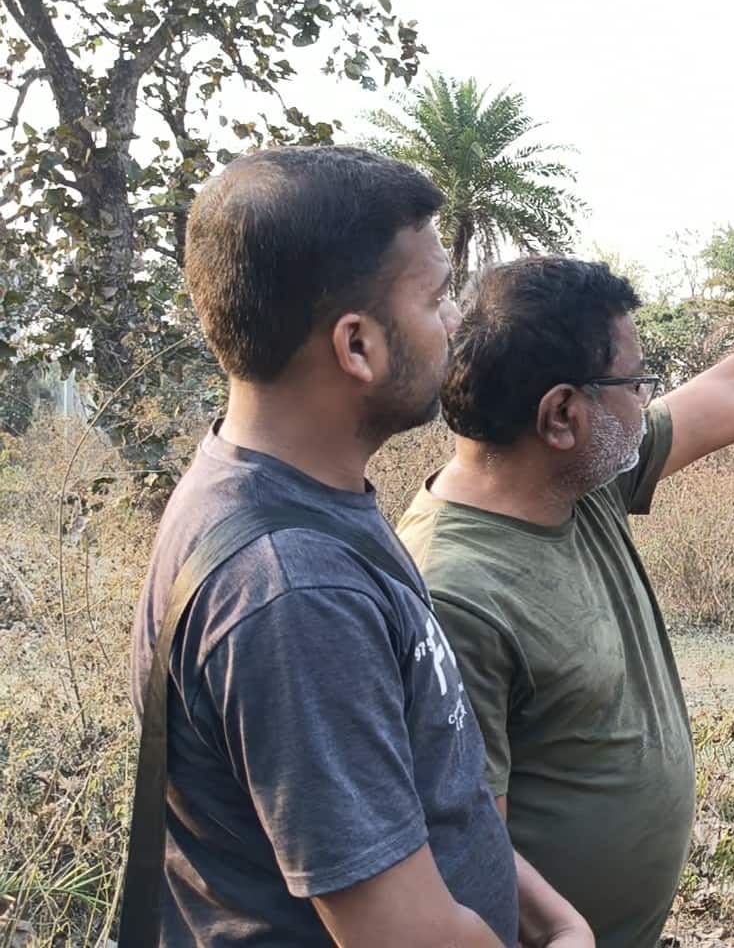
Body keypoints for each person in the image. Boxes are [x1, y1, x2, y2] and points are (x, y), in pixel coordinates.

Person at [395, 252, 734, 945]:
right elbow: (467, 843)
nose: (649, 399)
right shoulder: (455, 593)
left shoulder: (580, 479)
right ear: (562, 413)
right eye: (635, 382)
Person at [129, 147, 590, 946]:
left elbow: (419, 789)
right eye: (439, 298)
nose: (455, 324)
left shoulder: (295, 495)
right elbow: (401, 935)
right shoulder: (293, 588)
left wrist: (544, 913)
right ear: (357, 347)